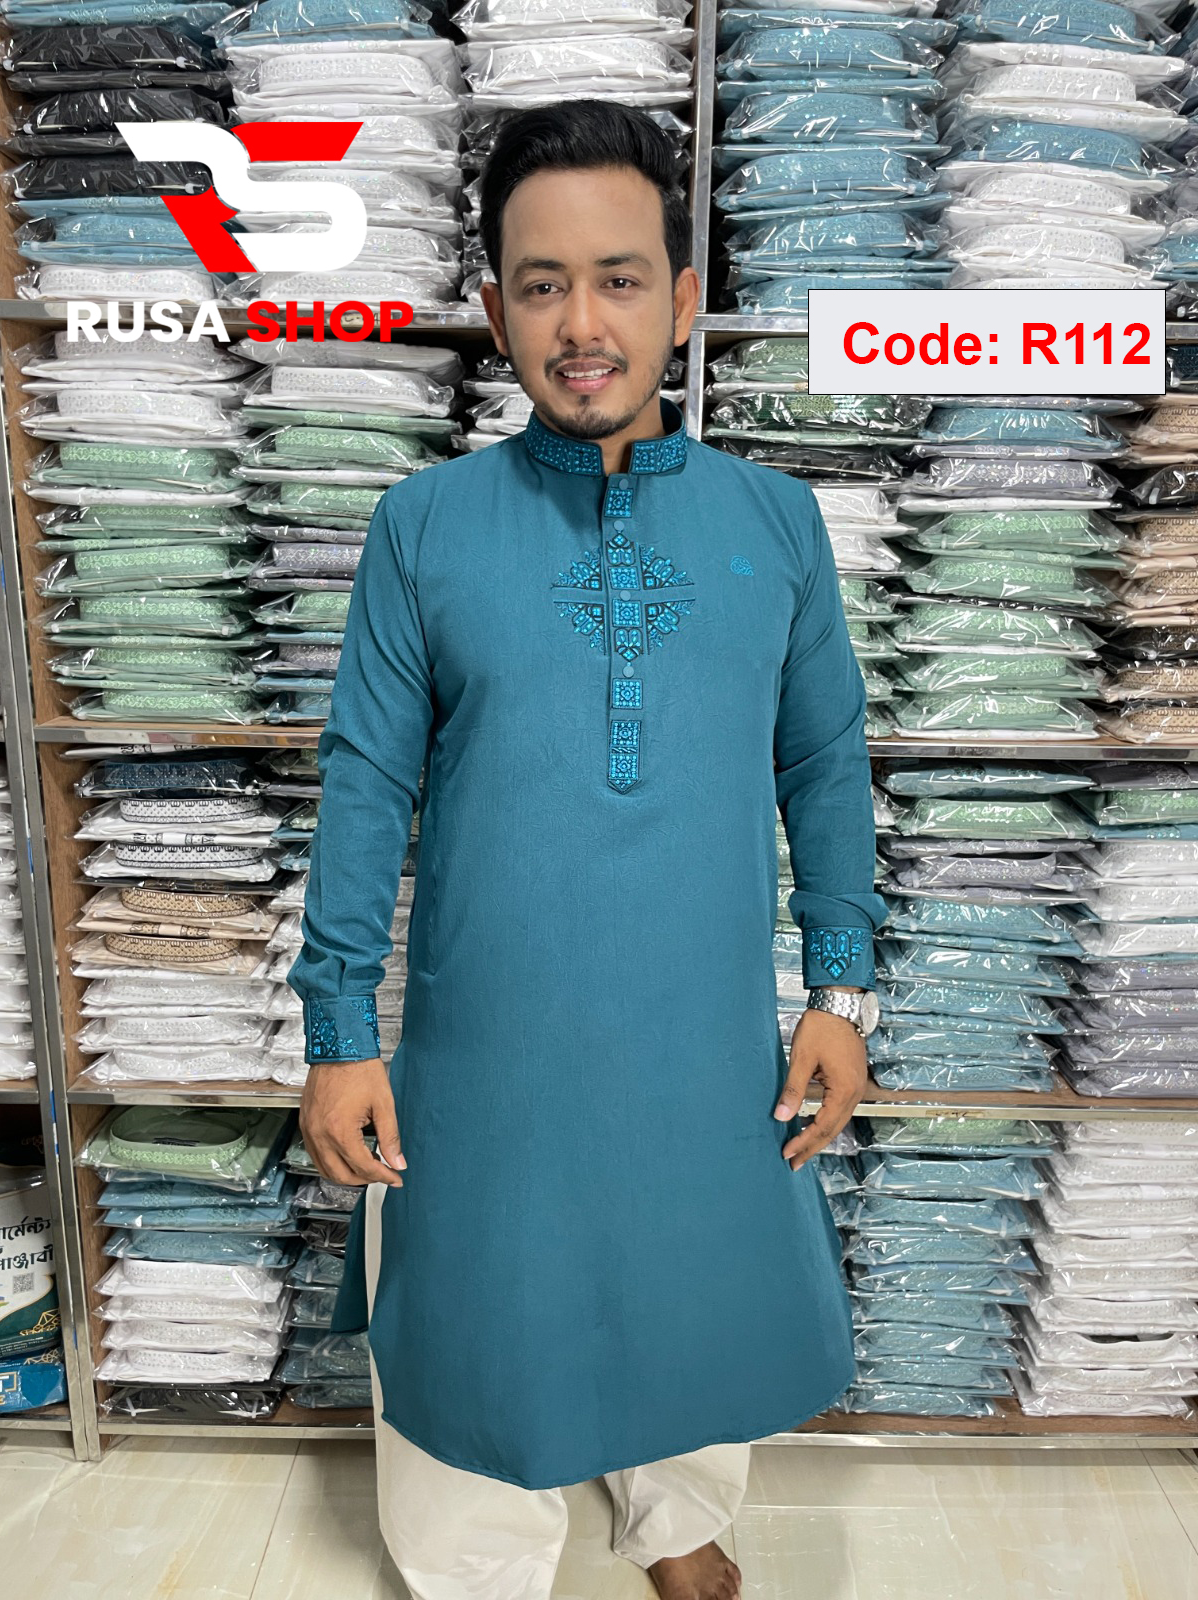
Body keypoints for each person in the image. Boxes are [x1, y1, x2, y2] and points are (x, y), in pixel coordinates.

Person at [289, 99, 887, 1600]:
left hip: (699, 1030)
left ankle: (674, 1520)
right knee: (471, 1306)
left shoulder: (778, 522)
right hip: (488, 1041)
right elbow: (366, 778)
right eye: (541, 284)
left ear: (682, 301)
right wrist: (339, 1031)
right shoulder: (424, 525)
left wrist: (841, 993)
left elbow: (823, 763)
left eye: (618, 279)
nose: (580, 324)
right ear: (494, 310)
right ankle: (481, 1574)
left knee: (692, 1278)